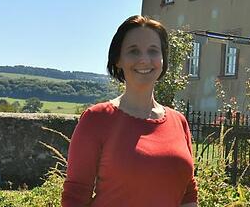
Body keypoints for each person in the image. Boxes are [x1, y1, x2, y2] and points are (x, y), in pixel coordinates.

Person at [62, 15, 198, 207]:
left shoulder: (179, 122)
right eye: (133, 51)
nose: (144, 59)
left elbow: (188, 194)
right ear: (118, 59)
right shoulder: (96, 119)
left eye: (153, 51)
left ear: (162, 59)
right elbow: (75, 197)